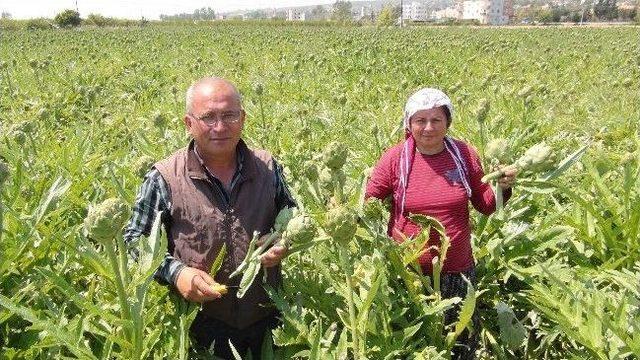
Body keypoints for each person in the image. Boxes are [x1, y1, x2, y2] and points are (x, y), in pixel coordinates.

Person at [124, 77, 295, 359]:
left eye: (229, 115)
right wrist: (177, 273)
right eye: (208, 117)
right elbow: (135, 241)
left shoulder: (268, 167)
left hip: (267, 315)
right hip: (198, 323)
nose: (220, 127)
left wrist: (284, 241)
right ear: (189, 123)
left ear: (243, 119)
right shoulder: (164, 178)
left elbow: (291, 215)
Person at [365, 88, 516, 359]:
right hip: (409, 273)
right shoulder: (394, 159)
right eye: (420, 120)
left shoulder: (464, 154)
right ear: (408, 124)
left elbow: (486, 204)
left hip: (457, 269)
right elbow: (369, 201)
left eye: (436, 120)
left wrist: (502, 188)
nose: (428, 128)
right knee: (414, 346)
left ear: (448, 122)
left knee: (458, 341)